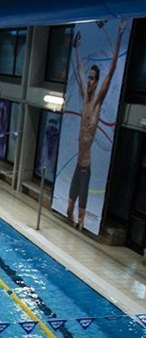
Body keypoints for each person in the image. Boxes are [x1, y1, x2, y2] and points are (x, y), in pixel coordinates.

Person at [66, 20, 126, 230]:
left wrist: (119, 35)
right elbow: (81, 69)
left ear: (97, 82)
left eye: (93, 79)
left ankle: (81, 222)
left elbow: (111, 72)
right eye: (89, 79)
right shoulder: (84, 99)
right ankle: (72, 217)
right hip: (76, 165)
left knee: (80, 216)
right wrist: (77, 47)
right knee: (68, 210)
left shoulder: (97, 102)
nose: (89, 81)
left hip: (86, 166)